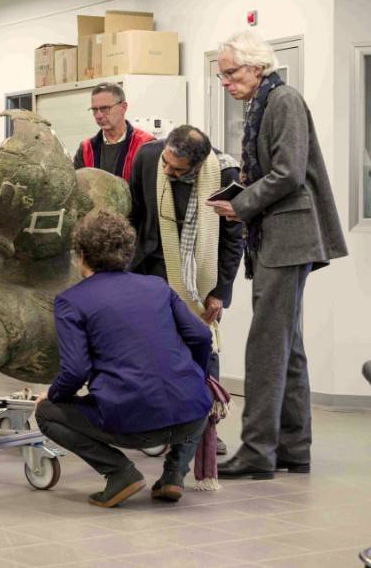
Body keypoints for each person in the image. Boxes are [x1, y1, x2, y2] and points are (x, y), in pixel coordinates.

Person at [207, 32, 347, 479]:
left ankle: (257, 451)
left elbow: (288, 172)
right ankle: (292, 447)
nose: (225, 81)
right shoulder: (262, 102)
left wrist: (241, 203)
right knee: (289, 347)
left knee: (267, 346)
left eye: (231, 72)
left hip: (289, 235)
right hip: (281, 233)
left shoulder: (283, 99)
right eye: (221, 74)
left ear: (257, 66)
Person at [35, 210, 212, 508]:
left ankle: (120, 473)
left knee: (47, 414)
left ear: (81, 255)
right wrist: (196, 377)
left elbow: (76, 369)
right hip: (193, 416)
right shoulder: (157, 286)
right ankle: (173, 475)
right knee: (196, 396)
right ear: (127, 251)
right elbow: (202, 337)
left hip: (131, 424)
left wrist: (52, 397)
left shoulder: (71, 301)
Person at [129, 125, 244, 456]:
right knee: (153, 349)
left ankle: (206, 428)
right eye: (167, 163)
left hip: (200, 276)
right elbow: (135, 214)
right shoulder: (149, 155)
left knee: (203, 348)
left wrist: (220, 291)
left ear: (198, 165)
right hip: (154, 266)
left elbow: (233, 237)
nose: (168, 171)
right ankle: (156, 423)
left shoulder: (224, 172)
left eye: (178, 170)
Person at [73, 82, 154, 182]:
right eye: (94, 110)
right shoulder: (86, 149)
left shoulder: (145, 145)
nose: (99, 115)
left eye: (105, 109)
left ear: (123, 108)